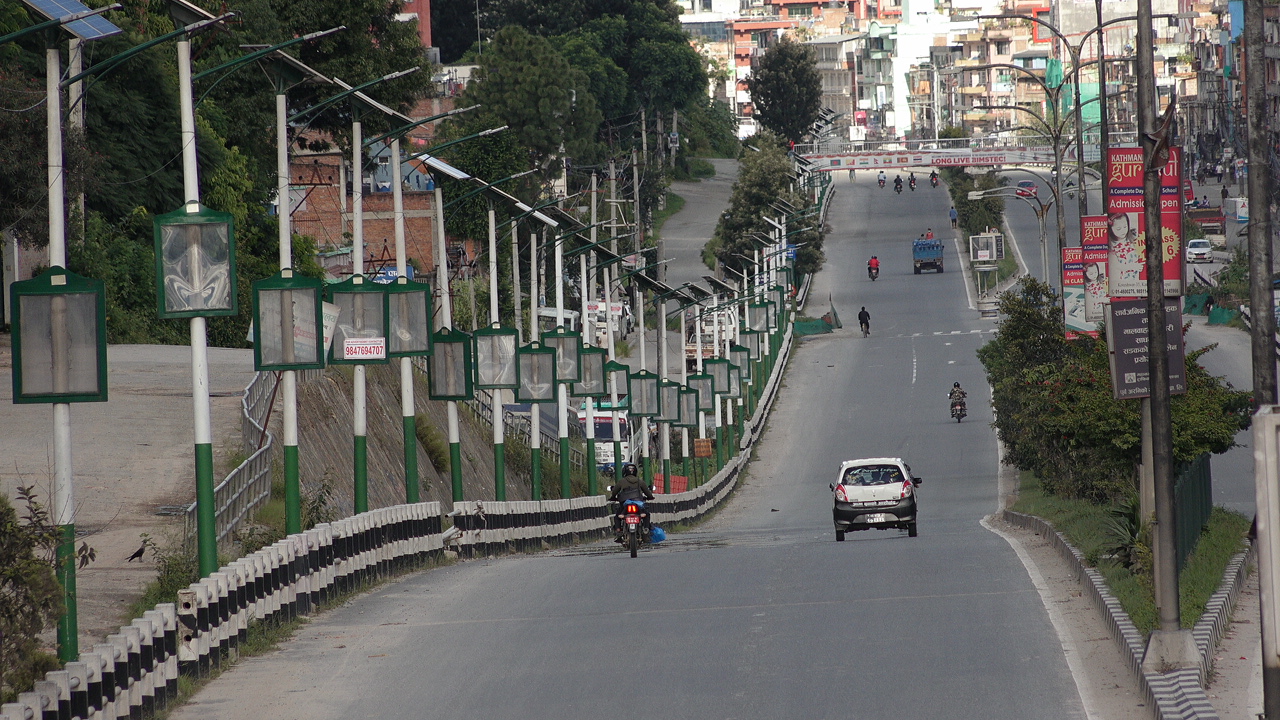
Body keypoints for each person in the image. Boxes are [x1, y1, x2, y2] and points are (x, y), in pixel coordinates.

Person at [609, 463, 654, 538]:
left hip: (624, 504)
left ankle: (618, 529)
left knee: (617, 516)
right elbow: (647, 492)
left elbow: (615, 491)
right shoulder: (640, 481)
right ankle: (646, 529)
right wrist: (650, 497)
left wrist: (613, 497)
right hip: (638, 503)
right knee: (646, 514)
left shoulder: (621, 481)